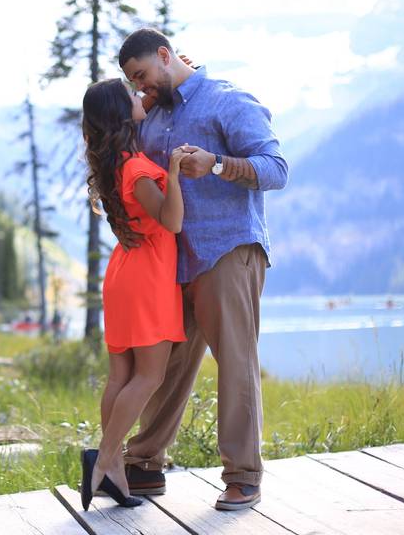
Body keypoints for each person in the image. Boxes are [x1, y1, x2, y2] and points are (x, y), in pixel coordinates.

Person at [115, 27, 288, 510]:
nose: (141, 87)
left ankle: (243, 476)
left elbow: (276, 169)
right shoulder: (151, 116)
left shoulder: (226, 101)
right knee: (165, 365)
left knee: (234, 364)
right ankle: (145, 466)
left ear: (166, 57)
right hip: (171, 262)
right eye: (133, 82)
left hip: (227, 251)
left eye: (144, 76)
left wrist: (216, 165)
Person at [78, 78, 189, 511]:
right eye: (131, 94)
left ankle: (114, 473)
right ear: (121, 113)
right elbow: (172, 221)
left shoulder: (114, 162)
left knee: (121, 377)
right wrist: (175, 174)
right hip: (147, 278)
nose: (139, 95)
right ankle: (105, 460)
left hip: (124, 270)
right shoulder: (138, 168)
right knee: (149, 376)